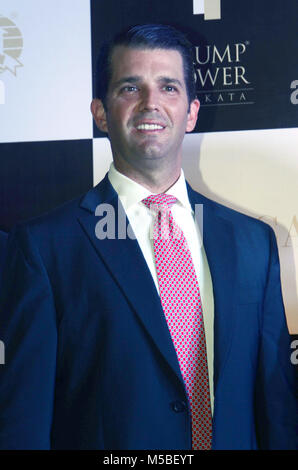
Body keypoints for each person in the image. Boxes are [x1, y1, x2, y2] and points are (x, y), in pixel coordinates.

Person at [0, 24, 296, 450]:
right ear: (100, 112)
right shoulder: (43, 249)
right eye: (129, 87)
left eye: (168, 87)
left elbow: (278, 410)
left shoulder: (252, 242)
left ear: (192, 112)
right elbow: (22, 425)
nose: (150, 103)